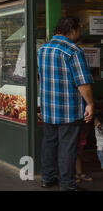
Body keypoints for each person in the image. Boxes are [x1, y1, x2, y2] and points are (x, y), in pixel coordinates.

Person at [37, 16, 94, 191]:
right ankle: (67, 185)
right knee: (67, 147)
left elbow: (41, 77)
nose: (79, 34)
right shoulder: (73, 50)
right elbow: (82, 82)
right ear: (73, 30)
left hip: (48, 108)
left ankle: (47, 178)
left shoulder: (43, 49)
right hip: (68, 109)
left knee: (49, 143)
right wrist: (90, 103)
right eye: (78, 30)